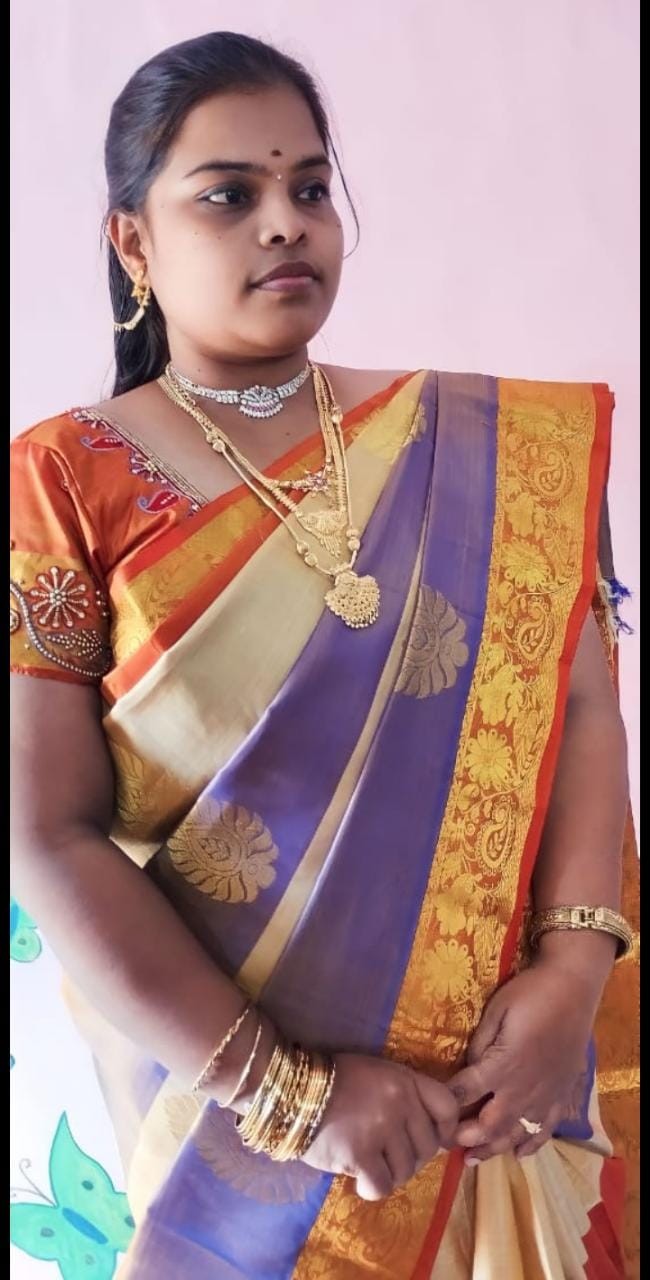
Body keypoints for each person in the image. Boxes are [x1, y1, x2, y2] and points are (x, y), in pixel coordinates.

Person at [9, 30, 638, 1280]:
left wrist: (571, 972)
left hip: (504, 1089)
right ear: (132, 242)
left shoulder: (500, 446)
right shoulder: (61, 484)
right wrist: (290, 1093)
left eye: (307, 186)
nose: (284, 221)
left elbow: (575, 704)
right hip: (232, 1125)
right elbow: (46, 831)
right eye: (227, 195)